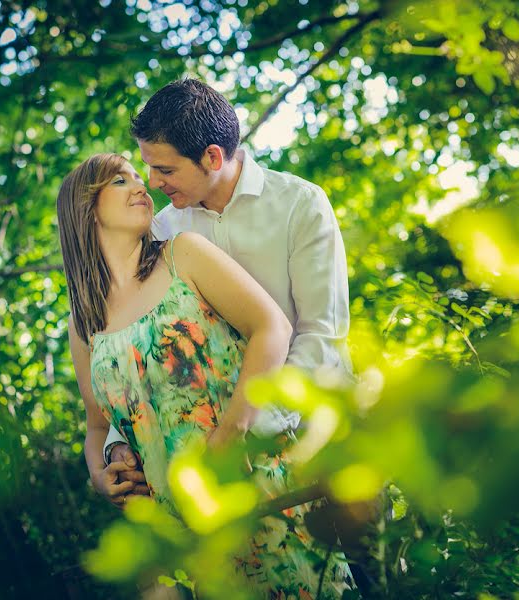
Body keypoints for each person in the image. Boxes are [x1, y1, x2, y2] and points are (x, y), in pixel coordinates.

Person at [59, 153, 351, 596]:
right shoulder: (82, 324)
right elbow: (98, 427)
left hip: (255, 484)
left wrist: (231, 433)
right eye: (122, 180)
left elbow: (272, 328)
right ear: (85, 207)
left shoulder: (183, 255)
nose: (143, 187)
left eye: (142, 177)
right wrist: (101, 473)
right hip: (180, 531)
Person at [97, 77, 352, 498]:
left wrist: (246, 429)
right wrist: (119, 444)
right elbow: (138, 342)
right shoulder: (162, 231)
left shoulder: (299, 205)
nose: (153, 183)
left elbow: (320, 336)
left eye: (165, 169)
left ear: (212, 157)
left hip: (319, 445)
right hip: (215, 467)